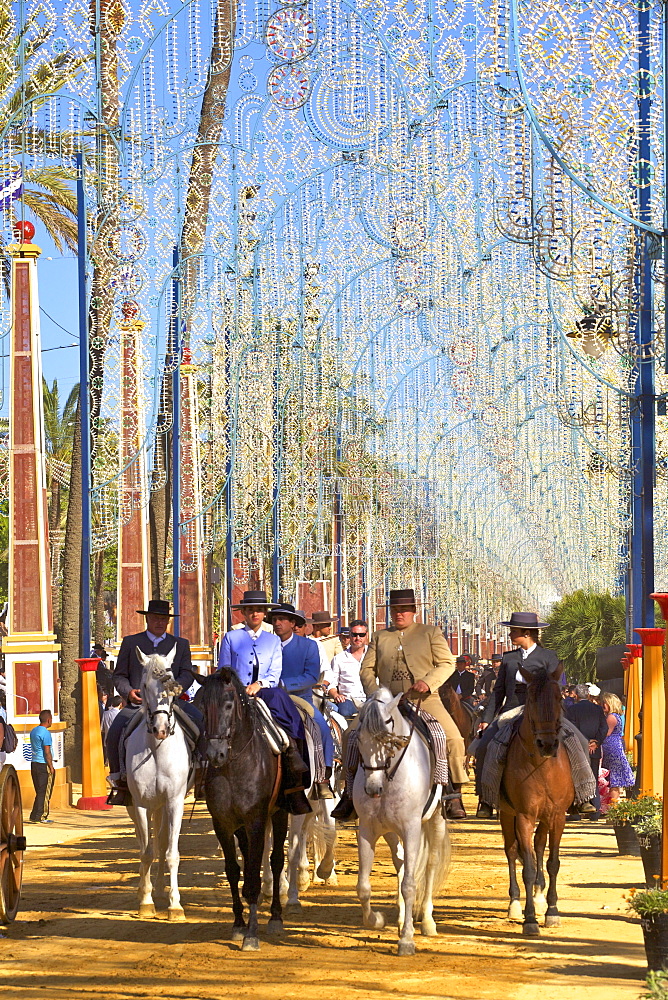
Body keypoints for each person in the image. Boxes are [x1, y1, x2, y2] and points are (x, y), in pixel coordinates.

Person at [333, 587, 468, 821]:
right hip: (387, 704)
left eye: (404, 609)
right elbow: (366, 670)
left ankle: (453, 794)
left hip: (424, 700)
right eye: (395, 609)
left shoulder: (430, 632)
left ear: (414, 611)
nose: (399, 614)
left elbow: (447, 663)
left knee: (454, 739)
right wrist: (378, 695)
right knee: (351, 735)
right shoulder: (380, 636)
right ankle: (349, 792)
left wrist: (428, 682)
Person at [475, 612, 596, 818]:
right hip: (512, 710)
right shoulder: (508, 658)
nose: (511, 634)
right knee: (484, 745)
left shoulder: (549, 657)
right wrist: (487, 719)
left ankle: (582, 797)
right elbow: (499, 691)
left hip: (544, 713)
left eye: (514, 631)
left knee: (581, 743)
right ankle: (486, 799)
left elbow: (554, 688)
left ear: (526, 633)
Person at [217, 590, 312, 814]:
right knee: (212, 718)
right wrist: (238, 688)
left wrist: (259, 684)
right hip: (234, 693)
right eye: (250, 610)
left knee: (285, 707)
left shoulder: (273, 640)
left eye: (259, 610)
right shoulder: (231, 638)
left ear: (264, 613)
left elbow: (275, 671)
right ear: (243, 613)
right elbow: (224, 670)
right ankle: (201, 770)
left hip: (265, 691)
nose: (255, 614)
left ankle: (293, 758)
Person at [106, 599, 203, 797]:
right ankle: (118, 777)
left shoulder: (180, 644)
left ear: (168, 621)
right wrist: (129, 692)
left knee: (201, 724)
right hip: (139, 705)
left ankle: (202, 775)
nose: (159, 622)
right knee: (114, 732)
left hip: (171, 704)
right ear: (147, 619)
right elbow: (119, 675)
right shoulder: (131, 642)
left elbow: (186, 673)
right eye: (156, 618)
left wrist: (175, 689)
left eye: (163, 619)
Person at [269, 603, 335, 798]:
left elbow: (311, 676)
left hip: (299, 699)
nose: (277, 624)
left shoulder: (310, 646)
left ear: (292, 623)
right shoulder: (267, 644)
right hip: (269, 698)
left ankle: (323, 777)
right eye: (274, 620)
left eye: (281, 620)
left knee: (321, 728)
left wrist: (282, 684)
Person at [566, 683, 608, 819]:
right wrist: (596, 742)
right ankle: (595, 811)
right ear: (588, 695)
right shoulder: (597, 709)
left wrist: (583, 744)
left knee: (576, 779)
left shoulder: (572, 710)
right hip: (594, 750)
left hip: (577, 750)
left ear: (576, 696)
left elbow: (571, 729)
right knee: (593, 778)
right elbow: (604, 728)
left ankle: (576, 812)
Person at [323, 619, 368, 718]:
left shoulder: (373, 655)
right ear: (350, 635)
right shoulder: (339, 659)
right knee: (344, 712)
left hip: (371, 698)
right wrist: (336, 695)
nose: (357, 638)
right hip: (348, 700)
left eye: (361, 635)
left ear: (366, 635)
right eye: (354, 634)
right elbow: (331, 684)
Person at [601, 692, 634, 802]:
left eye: (604, 703)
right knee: (613, 777)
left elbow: (605, 733)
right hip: (614, 746)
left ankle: (613, 804)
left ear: (610, 704)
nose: (602, 705)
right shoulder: (617, 716)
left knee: (613, 777)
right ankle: (613, 803)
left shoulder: (611, 717)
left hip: (611, 748)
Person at [28, 709, 55, 824]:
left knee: (39, 791)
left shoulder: (34, 731)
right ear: (48, 720)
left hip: (34, 763)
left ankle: (34, 815)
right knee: (45, 792)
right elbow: (47, 751)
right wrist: (51, 766)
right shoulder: (45, 733)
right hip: (43, 764)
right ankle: (42, 815)